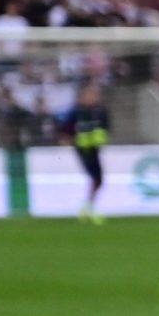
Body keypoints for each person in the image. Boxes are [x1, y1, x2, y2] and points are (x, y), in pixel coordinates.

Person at [62, 83, 110, 224]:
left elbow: (105, 128)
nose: (93, 98)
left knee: (98, 179)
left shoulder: (100, 111)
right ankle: (88, 208)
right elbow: (65, 130)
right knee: (96, 178)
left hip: (94, 149)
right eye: (89, 95)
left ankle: (87, 207)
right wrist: (70, 141)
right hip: (83, 150)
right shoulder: (76, 112)